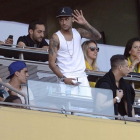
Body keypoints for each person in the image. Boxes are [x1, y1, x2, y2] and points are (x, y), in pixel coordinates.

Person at [49, 7, 101, 86]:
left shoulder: (79, 32)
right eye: (61, 19)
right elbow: (51, 63)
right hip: (66, 77)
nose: (64, 22)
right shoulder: (55, 37)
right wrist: (63, 78)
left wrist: (85, 23)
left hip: (82, 77)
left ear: (72, 19)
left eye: (66, 19)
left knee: (86, 99)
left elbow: (98, 36)